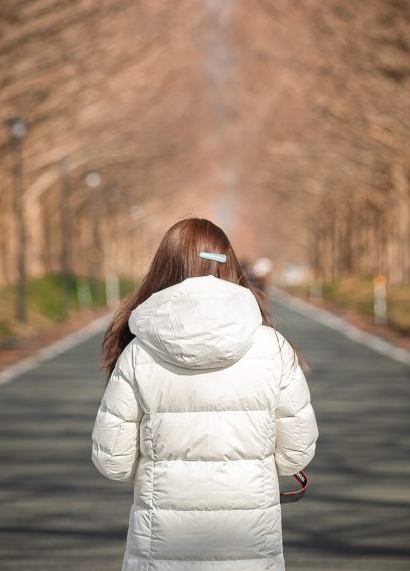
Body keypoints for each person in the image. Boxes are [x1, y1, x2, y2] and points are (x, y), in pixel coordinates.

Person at [91, 217, 318, 570]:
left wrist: (164, 468)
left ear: (164, 266)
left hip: (161, 545)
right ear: (229, 265)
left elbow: (113, 461)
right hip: (249, 542)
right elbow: (295, 453)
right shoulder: (272, 347)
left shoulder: (140, 352)